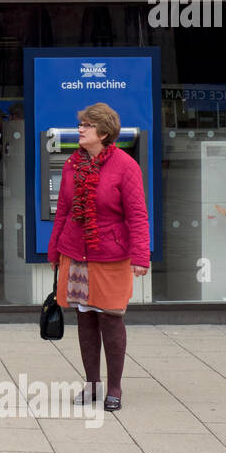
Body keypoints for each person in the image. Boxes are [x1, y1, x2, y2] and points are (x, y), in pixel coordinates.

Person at [46, 103, 149, 412]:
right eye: (81, 124)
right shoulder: (71, 164)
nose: (80, 129)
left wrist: (141, 256)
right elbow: (63, 210)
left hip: (111, 255)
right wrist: (54, 250)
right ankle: (91, 384)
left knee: (111, 318)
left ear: (104, 133)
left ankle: (114, 386)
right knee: (84, 317)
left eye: (87, 126)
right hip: (75, 252)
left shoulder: (126, 166)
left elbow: (138, 215)